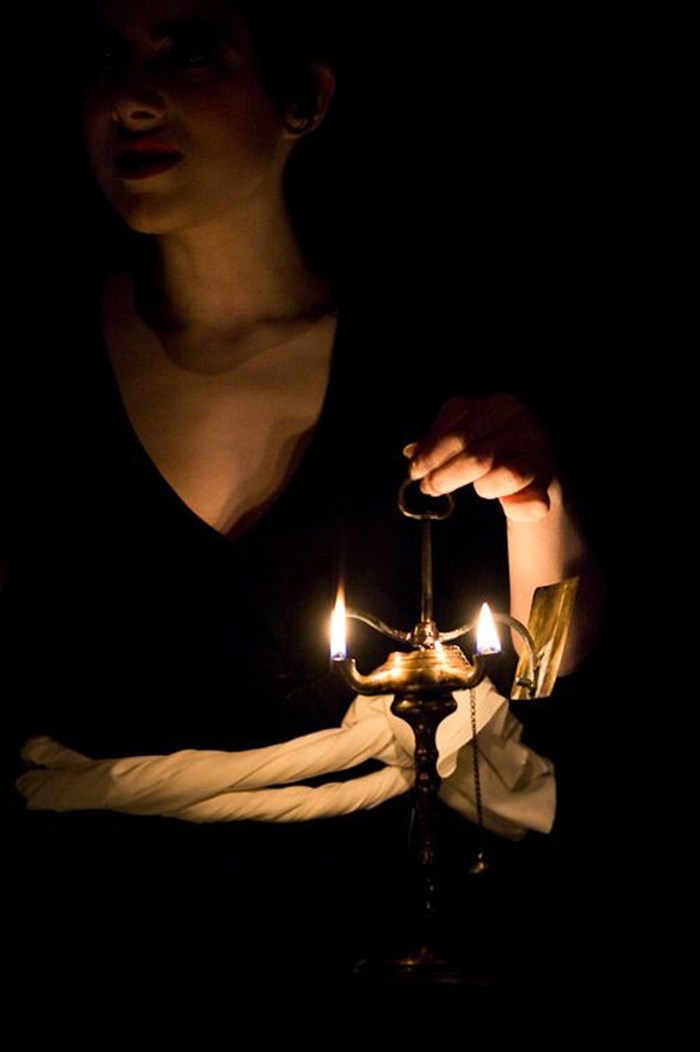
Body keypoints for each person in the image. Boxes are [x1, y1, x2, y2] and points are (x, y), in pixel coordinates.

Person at [3, 0, 604, 1042]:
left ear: (304, 99)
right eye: (106, 57)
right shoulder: (29, 367)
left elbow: (547, 676)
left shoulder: (424, 358)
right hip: (83, 951)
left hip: (385, 947)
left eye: (190, 53)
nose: (130, 99)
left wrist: (531, 501)